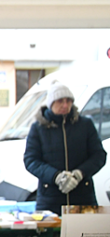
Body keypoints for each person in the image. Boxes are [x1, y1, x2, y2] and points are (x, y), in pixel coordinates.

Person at [24, 82, 107, 212]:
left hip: (83, 197)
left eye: (69, 101)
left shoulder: (85, 125)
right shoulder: (39, 128)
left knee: (84, 231)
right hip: (50, 200)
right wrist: (56, 176)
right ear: (51, 103)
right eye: (60, 101)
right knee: (54, 232)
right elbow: (31, 160)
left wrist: (79, 173)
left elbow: (99, 155)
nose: (65, 105)